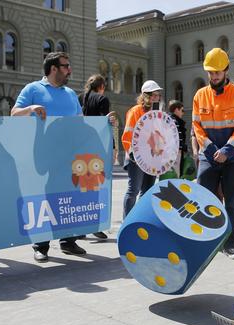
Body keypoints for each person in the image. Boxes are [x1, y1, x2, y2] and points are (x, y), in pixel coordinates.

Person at [11, 51, 87, 262]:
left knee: (68, 198)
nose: (69, 70)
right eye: (65, 66)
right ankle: (41, 246)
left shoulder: (71, 93)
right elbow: (14, 113)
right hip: (41, 155)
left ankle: (68, 241)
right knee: (43, 199)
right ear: (53, 68)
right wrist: (30, 108)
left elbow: (80, 122)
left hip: (69, 157)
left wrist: (105, 125)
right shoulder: (33, 89)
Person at [192, 48, 234, 259]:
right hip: (209, 157)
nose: (214, 76)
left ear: (226, 70)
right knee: (203, 200)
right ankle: (205, 241)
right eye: (210, 72)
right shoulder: (200, 95)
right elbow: (197, 126)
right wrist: (209, 149)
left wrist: (227, 150)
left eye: (218, 72)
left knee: (232, 203)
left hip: (233, 157)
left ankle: (229, 244)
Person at [80, 73, 116, 240]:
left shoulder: (80, 98)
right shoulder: (102, 100)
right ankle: (94, 225)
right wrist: (113, 147)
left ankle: (79, 229)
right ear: (102, 87)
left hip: (79, 148)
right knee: (95, 189)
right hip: (96, 149)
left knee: (81, 188)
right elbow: (105, 125)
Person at [121, 80, 163, 217]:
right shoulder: (135, 111)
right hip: (136, 158)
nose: (157, 98)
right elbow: (128, 134)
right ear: (146, 95)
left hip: (151, 157)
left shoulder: (157, 113)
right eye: (154, 95)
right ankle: (127, 221)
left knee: (147, 191)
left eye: (158, 95)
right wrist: (132, 153)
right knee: (133, 190)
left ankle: (139, 219)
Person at [167, 99, 188, 177]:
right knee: (176, 175)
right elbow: (177, 140)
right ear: (176, 110)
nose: (183, 113)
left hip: (173, 153)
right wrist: (183, 147)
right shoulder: (174, 122)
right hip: (175, 153)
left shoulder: (170, 120)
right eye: (182, 110)